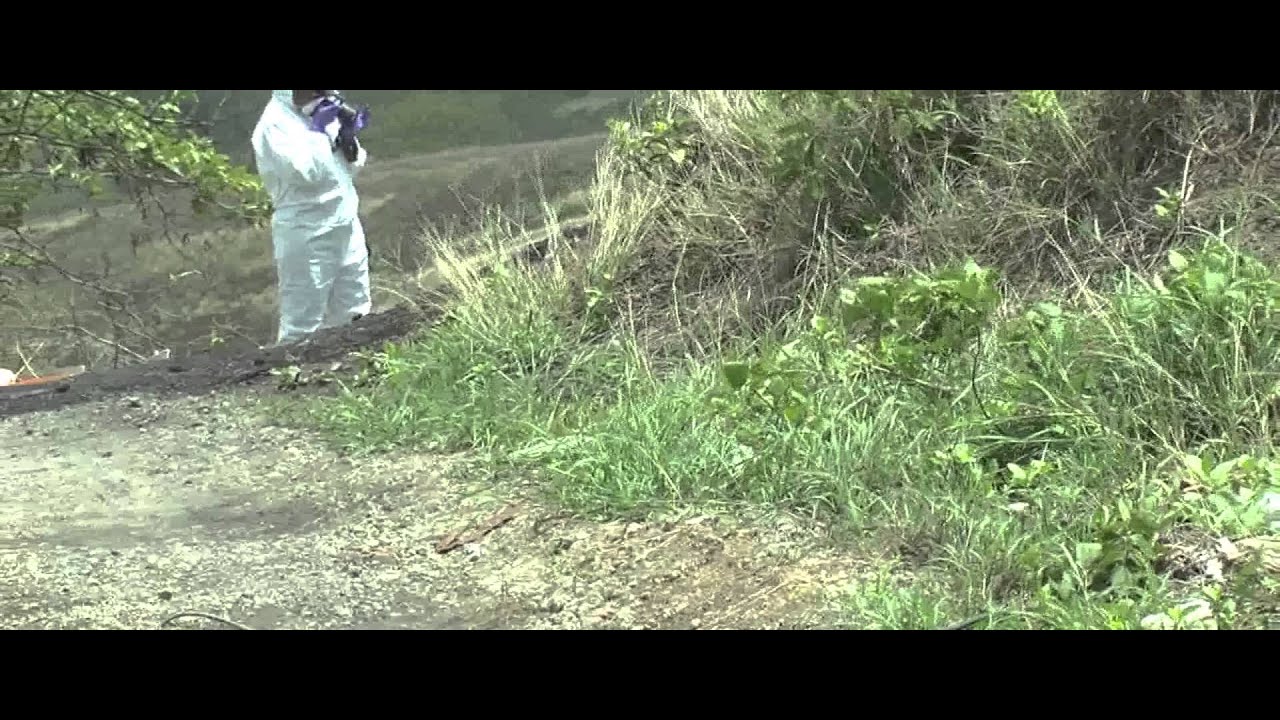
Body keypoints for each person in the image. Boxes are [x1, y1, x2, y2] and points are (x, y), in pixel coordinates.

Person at [251, 90, 372, 346]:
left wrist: (348, 140)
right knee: (303, 322)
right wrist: (318, 133)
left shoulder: (318, 112)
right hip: (307, 233)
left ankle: (356, 372)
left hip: (345, 223)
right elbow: (307, 174)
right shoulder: (274, 127)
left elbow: (347, 168)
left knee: (355, 308)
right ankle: (293, 377)